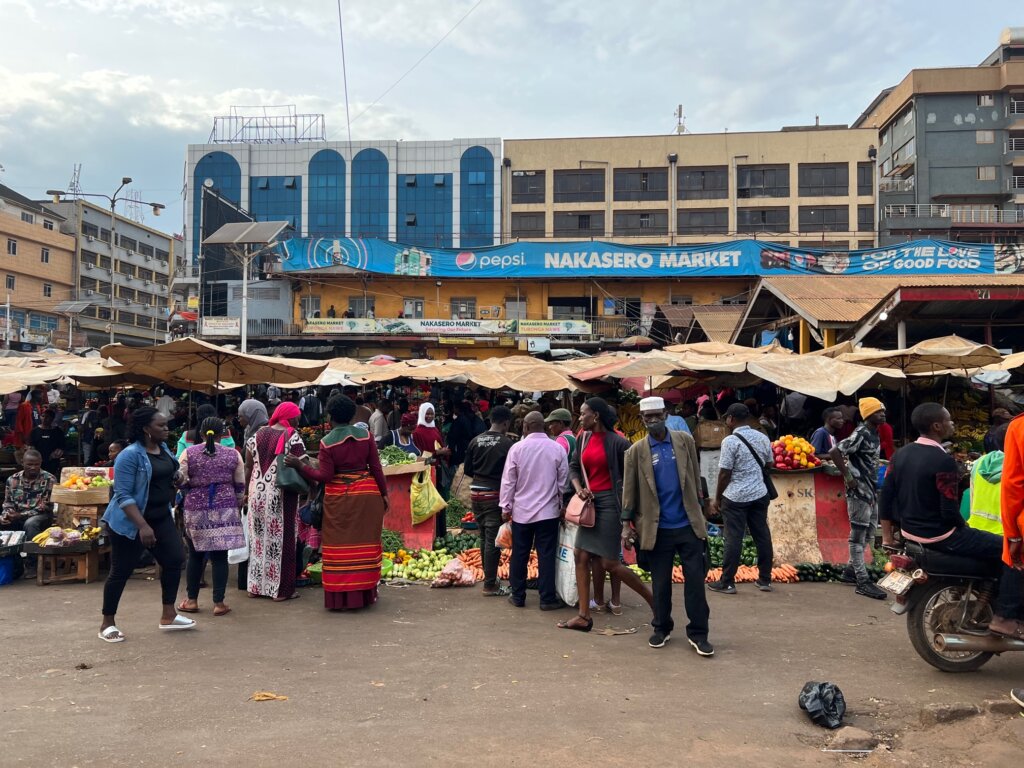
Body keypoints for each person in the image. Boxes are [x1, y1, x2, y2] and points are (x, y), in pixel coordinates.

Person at [883, 403, 1022, 638]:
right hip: (943, 535)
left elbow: (886, 497)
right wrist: (964, 527)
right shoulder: (943, 461)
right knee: (1011, 552)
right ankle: (1005, 617)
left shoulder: (901, 454)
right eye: (949, 420)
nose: (953, 424)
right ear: (937, 426)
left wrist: (888, 536)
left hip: (911, 534)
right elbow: (948, 510)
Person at [622, 397, 712, 655]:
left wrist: (704, 506)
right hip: (656, 529)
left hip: (688, 525)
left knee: (695, 581)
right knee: (661, 584)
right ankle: (661, 627)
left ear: (665, 414)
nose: (653, 420)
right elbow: (629, 491)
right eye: (647, 417)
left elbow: (695, 477)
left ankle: (698, 633)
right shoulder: (636, 451)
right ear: (642, 419)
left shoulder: (684, 441)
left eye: (657, 415)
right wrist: (626, 526)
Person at [286, 395, 389, 610]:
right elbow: (376, 467)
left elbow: (325, 476)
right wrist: (384, 494)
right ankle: (365, 594)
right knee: (366, 545)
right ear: (352, 415)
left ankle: (341, 598)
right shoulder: (366, 435)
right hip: (367, 494)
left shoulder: (327, 442)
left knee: (339, 548)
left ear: (330, 416)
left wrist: (299, 466)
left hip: (339, 499)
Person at [99, 407, 193, 643]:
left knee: (174, 559)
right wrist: (142, 526)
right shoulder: (129, 455)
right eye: (161, 425)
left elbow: (167, 474)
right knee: (121, 570)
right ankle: (107, 623)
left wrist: (178, 478)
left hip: (161, 517)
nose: (166, 429)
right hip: (131, 522)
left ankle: (169, 615)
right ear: (145, 429)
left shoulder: (163, 450)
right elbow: (122, 495)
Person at [561, 398, 654, 631]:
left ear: (597, 416)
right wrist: (578, 487)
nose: (580, 418)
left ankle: (655, 601)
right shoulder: (582, 438)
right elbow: (574, 467)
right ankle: (584, 616)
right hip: (588, 503)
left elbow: (633, 480)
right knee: (580, 556)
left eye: (583, 414)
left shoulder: (619, 444)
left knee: (610, 562)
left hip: (610, 505)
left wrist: (628, 517)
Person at [175, 416, 244, 617]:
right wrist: (237, 502)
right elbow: (239, 484)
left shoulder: (189, 453)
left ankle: (192, 601)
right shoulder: (233, 454)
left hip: (196, 508)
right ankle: (219, 603)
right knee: (220, 557)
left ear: (202, 433)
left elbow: (179, 479)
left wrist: (188, 489)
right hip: (226, 508)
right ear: (223, 434)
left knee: (195, 556)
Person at [499, 411, 568, 611]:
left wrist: (506, 506)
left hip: (522, 512)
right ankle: (547, 598)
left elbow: (508, 480)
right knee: (546, 555)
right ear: (544, 426)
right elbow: (562, 481)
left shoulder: (517, 449)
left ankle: (518, 596)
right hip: (548, 513)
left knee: (519, 553)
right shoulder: (557, 449)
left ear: (525, 427)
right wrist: (560, 502)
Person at [708, 403, 775, 595]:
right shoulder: (762, 437)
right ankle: (765, 580)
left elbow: (724, 474)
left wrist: (717, 498)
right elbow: (770, 463)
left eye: (727, 418)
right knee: (761, 535)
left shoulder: (730, 441)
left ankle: (727, 582)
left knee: (733, 538)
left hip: (735, 496)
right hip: (759, 494)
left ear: (732, 419)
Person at [244, 401, 306, 601]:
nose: (298, 420)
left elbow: (247, 465)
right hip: (281, 494)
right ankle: (281, 591)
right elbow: (302, 465)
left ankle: (255, 587)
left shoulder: (256, 435)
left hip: (256, 493)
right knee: (284, 540)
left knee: (258, 539)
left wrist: (246, 492)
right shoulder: (292, 436)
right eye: (296, 416)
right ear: (289, 416)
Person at [829, 397, 888, 599]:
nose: (883, 414)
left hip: (871, 490)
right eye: (879, 411)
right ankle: (862, 582)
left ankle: (850, 572)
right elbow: (835, 451)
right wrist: (848, 476)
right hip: (859, 492)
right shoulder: (861, 433)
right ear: (868, 414)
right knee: (858, 536)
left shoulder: (874, 433)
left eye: (883, 411)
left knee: (870, 533)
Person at [464, 405, 515, 596]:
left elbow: (468, 469)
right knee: (493, 540)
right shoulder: (507, 443)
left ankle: (489, 579)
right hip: (493, 495)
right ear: (506, 422)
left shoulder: (475, 440)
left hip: (476, 493)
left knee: (484, 536)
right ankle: (489, 584)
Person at [0, 449, 56, 576]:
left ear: (41, 463)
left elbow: (46, 506)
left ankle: (32, 564)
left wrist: (21, 515)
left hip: (40, 516)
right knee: (3, 522)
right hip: (17, 515)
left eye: (36, 464)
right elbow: (8, 502)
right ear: (22, 463)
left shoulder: (49, 479)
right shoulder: (12, 479)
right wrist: (6, 514)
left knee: (30, 524)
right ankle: (14, 563)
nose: (33, 467)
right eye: (29, 464)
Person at [413, 402, 451, 538]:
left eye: (431, 413)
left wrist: (444, 451)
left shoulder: (435, 429)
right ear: (422, 414)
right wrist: (437, 454)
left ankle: (441, 533)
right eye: (427, 413)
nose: (429, 416)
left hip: (439, 470)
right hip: (428, 472)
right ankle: (432, 533)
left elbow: (439, 444)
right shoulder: (417, 432)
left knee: (440, 501)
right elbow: (421, 455)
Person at [966, 423, 1007, 534]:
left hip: (976, 530)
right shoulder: (1017, 466)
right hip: (1007, 537)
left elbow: (972, 496)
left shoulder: (980, 462)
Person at [28, 408, 64, 478]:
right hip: (38, 462)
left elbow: (62, 446)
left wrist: (57, 453)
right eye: (43, 416)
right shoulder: (35, 431)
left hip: (53, 461)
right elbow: (31, 445)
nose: (44, 419)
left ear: (52, 418)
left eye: (47, 417)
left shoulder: (57, 432)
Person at [79, 400, 100, 466]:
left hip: (87, 438)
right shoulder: (100, 413)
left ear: (89, 407)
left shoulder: (86, 414)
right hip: (98, 439)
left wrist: (81, 434)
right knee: (96, 455)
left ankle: (87, 467)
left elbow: (82, 426)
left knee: (87, 456)